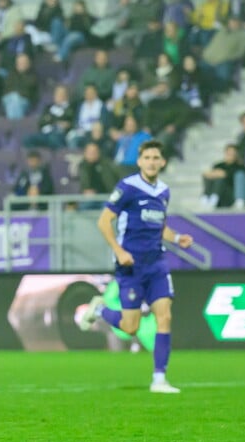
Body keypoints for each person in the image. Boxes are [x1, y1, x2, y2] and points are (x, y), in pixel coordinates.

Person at [79, 140, 193, 394]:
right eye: (147, 158)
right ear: (140, 161)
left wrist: (177, 238)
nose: (152, 162)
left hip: (157, 264)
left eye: (156, 158)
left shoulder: (163, 191)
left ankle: (159, 379)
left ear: (162, 162)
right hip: (131, 266)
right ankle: (99, 310)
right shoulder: (128, 188)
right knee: (131, 327)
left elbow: (160, 225)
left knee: (165, 316)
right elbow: (104, 221)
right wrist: (119, 251)